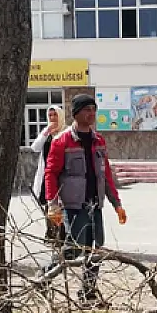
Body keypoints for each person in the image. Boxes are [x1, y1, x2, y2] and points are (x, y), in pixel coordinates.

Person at [43, 94, 127, 302]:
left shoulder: (98, 140)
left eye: (93, 109)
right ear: (76, 113)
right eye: (87, 109)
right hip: (73, 206)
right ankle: (45, 277)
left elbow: (105, 173)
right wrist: (53, 204)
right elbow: (51, 173)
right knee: (72, 249)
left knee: (96, 250)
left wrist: (117, 203)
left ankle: (88, 291)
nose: (91, 113)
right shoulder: (62, 141)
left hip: (95, 205)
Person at [31, 105, 66, 272]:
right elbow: (34, 148)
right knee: (48, 207)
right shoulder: (46, 135)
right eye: (50, 115)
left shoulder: (65, 133)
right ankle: (53, 236)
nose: (52, 118)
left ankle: (62, 237)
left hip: (61, 177)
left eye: (55, 115)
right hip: (46, 177)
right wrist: (46, 132)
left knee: (61, 208)